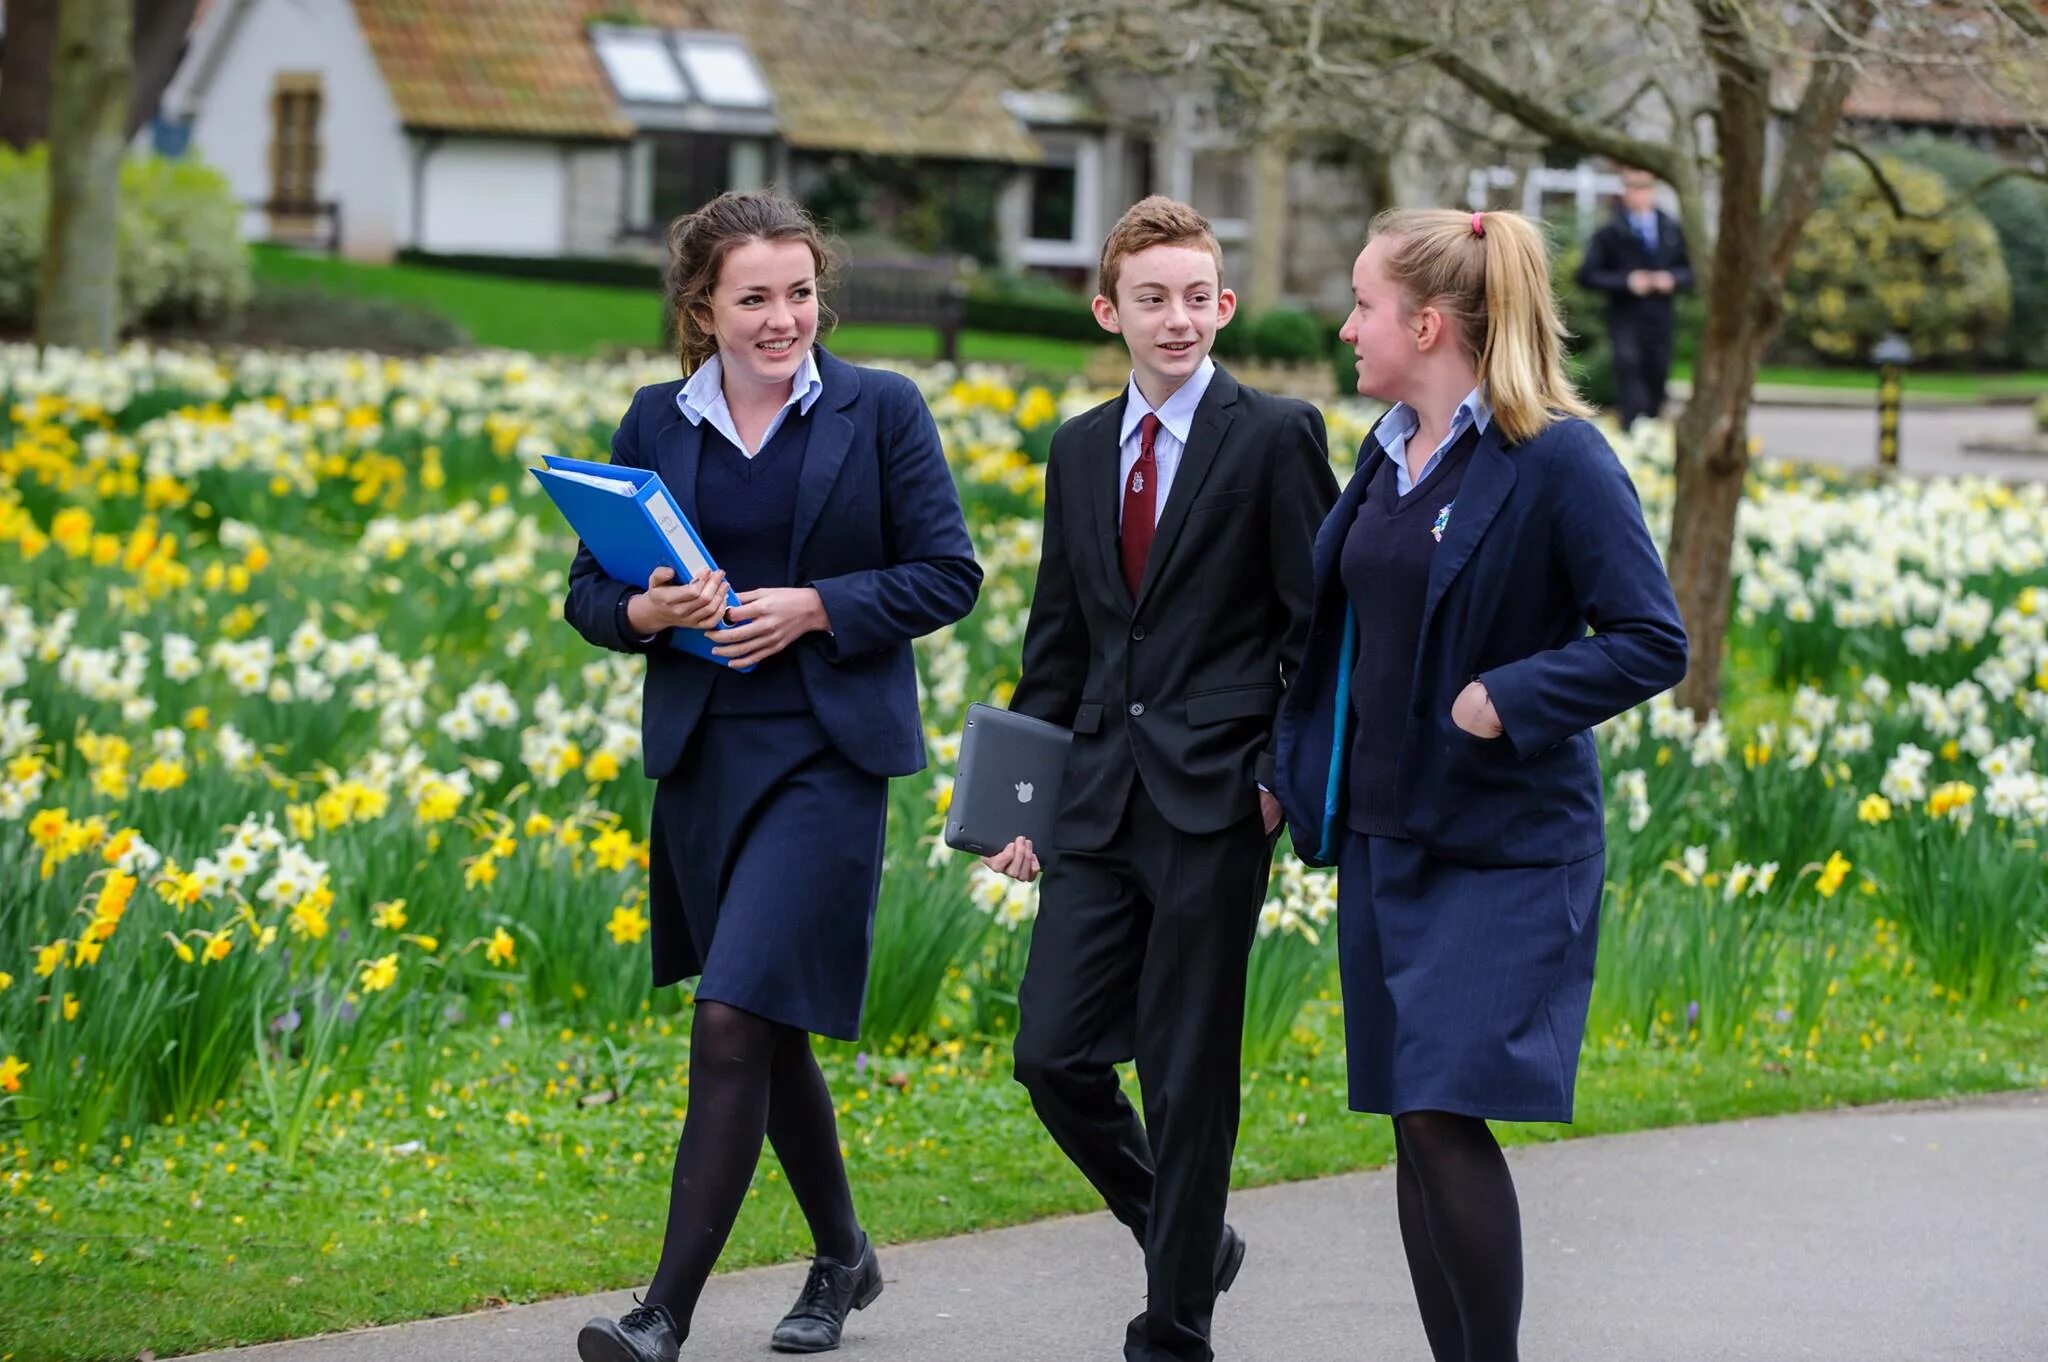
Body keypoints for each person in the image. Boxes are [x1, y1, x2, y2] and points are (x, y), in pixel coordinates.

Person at [564, 189, 982, 1362]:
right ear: (702, 307)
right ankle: (844, 1259)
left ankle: (662, 1315)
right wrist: (646, 607)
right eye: (754, 297)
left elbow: (949, 573)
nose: (783, 318)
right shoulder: (654, 421)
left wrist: (816, 608)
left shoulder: (879, 409)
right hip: (704, 761)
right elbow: (587, 595)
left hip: (826, 760)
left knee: (733, 1015)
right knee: (768, 1024)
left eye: (799, 293)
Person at [1275, 207, 1687, 1362]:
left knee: (1440, 1110)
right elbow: (1346, 640)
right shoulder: (1384, 451)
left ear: (1427, 321)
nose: (1345, 326)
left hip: (1502, 848)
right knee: (1413, 1123)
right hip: (1383, 839)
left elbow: (1650, 640)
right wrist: (1288, 771)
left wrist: (1509, 693)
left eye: (1361, 305)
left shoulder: (1555, 456)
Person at [982, 195, 1338, 1362]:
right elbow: (1059, 640)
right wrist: (1016, 805)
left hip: (1215, 796)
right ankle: (1183, 1236)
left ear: (1223, 306)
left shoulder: (1274, 435)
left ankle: (1172, 1323)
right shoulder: (1079, 449)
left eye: (1196, 298)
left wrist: (1278, 776)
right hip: (1093, 795)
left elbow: (1315, 625)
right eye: (1151, 299)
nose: (1176, 319)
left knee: (1187, 1073)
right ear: (1107, 311)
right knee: (1052, 1055)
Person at [1575, 166, 1692, 431]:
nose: (1639, 194)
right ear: (1625, 192)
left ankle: (1652, 432)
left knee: (1658, 372)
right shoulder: (1610, 231)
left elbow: (1691, 271)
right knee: (1629, 371)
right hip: (1625, 317)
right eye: (1633, 187)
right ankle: (1631, 432)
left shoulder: (1670, 227)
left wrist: (1671, 279)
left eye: (1645, 187)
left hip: (1660, 317)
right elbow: (1587, 275)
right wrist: (1627, 282)